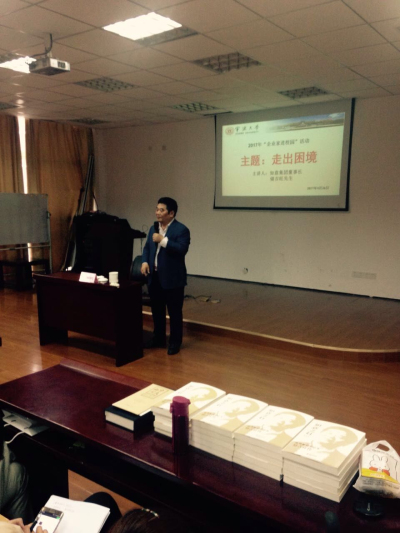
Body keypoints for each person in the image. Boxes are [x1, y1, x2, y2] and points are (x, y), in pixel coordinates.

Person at [141, 198, 190, 356]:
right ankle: (159, 338)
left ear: (171, 213)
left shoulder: (181, 230)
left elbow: (181, 249)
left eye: (161, 210)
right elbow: (147, 248)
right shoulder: (153, 228)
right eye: (157, 209)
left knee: (174, 312)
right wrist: (144, 262)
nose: (157, 213)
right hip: (154, 276)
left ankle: (175, 342)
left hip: (173, 279)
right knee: (157, 310)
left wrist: (163, 241)